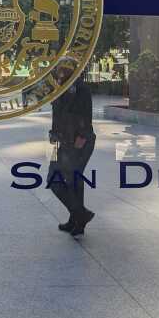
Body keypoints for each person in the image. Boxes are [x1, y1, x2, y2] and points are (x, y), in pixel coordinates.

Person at [48, 66, 96, 237]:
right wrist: (53, 137)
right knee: (64, 181)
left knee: (68, 180)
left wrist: (80, 140)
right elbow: (57, 116)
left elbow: (85, 116)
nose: (58, 71)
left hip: (77, 142)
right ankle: (78, 217)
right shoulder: (60, 88)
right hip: (61, 141)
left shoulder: (80, 89)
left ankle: (79, 217)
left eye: (62, 68)